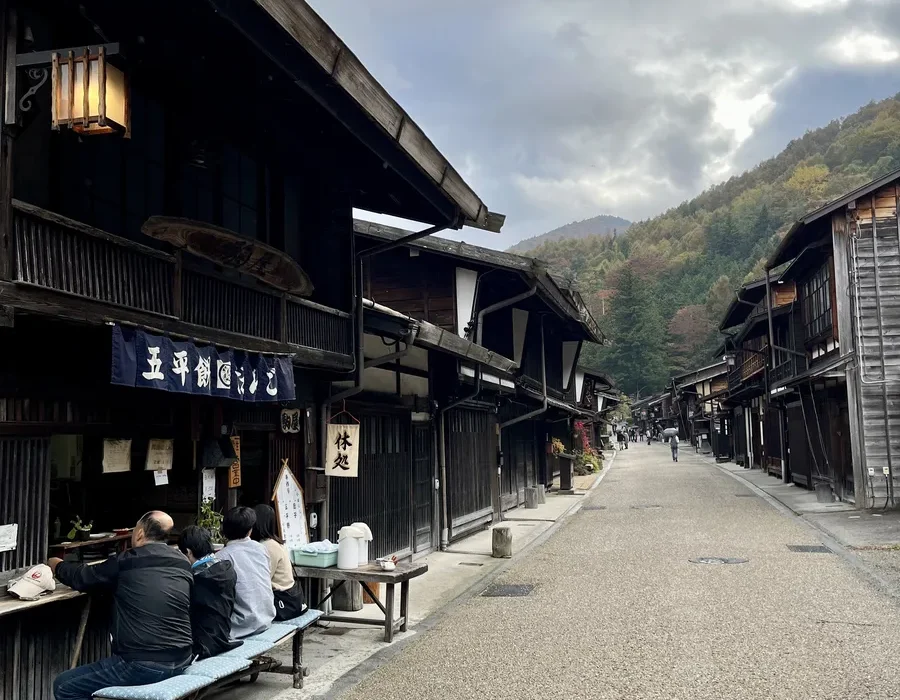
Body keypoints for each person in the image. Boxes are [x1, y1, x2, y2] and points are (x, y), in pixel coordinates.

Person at [50, 511, 193, 700]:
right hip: (182, 658)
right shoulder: (182, 562)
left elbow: (82, 577)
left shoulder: (127, 561)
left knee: (64, 685)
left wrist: (56, 564)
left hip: (142, 665)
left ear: (140, 533)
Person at [177, 525, 241, 659]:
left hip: (201, 645)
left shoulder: (195, 578)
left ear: (188, 552)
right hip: (223, 636)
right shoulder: (227, 568)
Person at [216, 506, 276, 640]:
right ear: (250, 530)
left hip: (241, 624)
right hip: (266, 616)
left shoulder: (222, 557)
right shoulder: (261, 549)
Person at [252, 504, 307, 620]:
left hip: (281, 600)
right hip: (288, 596)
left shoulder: (266, 546)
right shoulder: (275, 543)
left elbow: (263, 579)